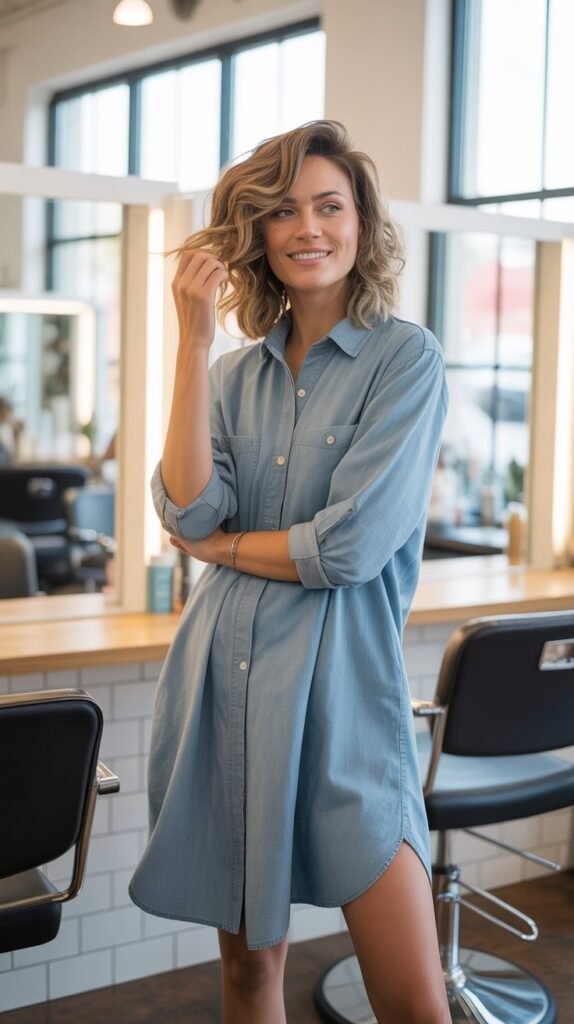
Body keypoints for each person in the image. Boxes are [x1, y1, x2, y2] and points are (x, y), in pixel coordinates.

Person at [129, 120, 450, 1023]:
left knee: (414, 1002)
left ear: (361, 222)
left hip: (348, 701)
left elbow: (346, 548)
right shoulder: (230, 375)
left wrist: (226, 551)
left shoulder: (406, 359)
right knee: (247, 974)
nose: (308, 227)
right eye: (282, 212)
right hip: (227, 690)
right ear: (258, 237)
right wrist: (192, 341)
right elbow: (187, 508)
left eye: (329, 205)